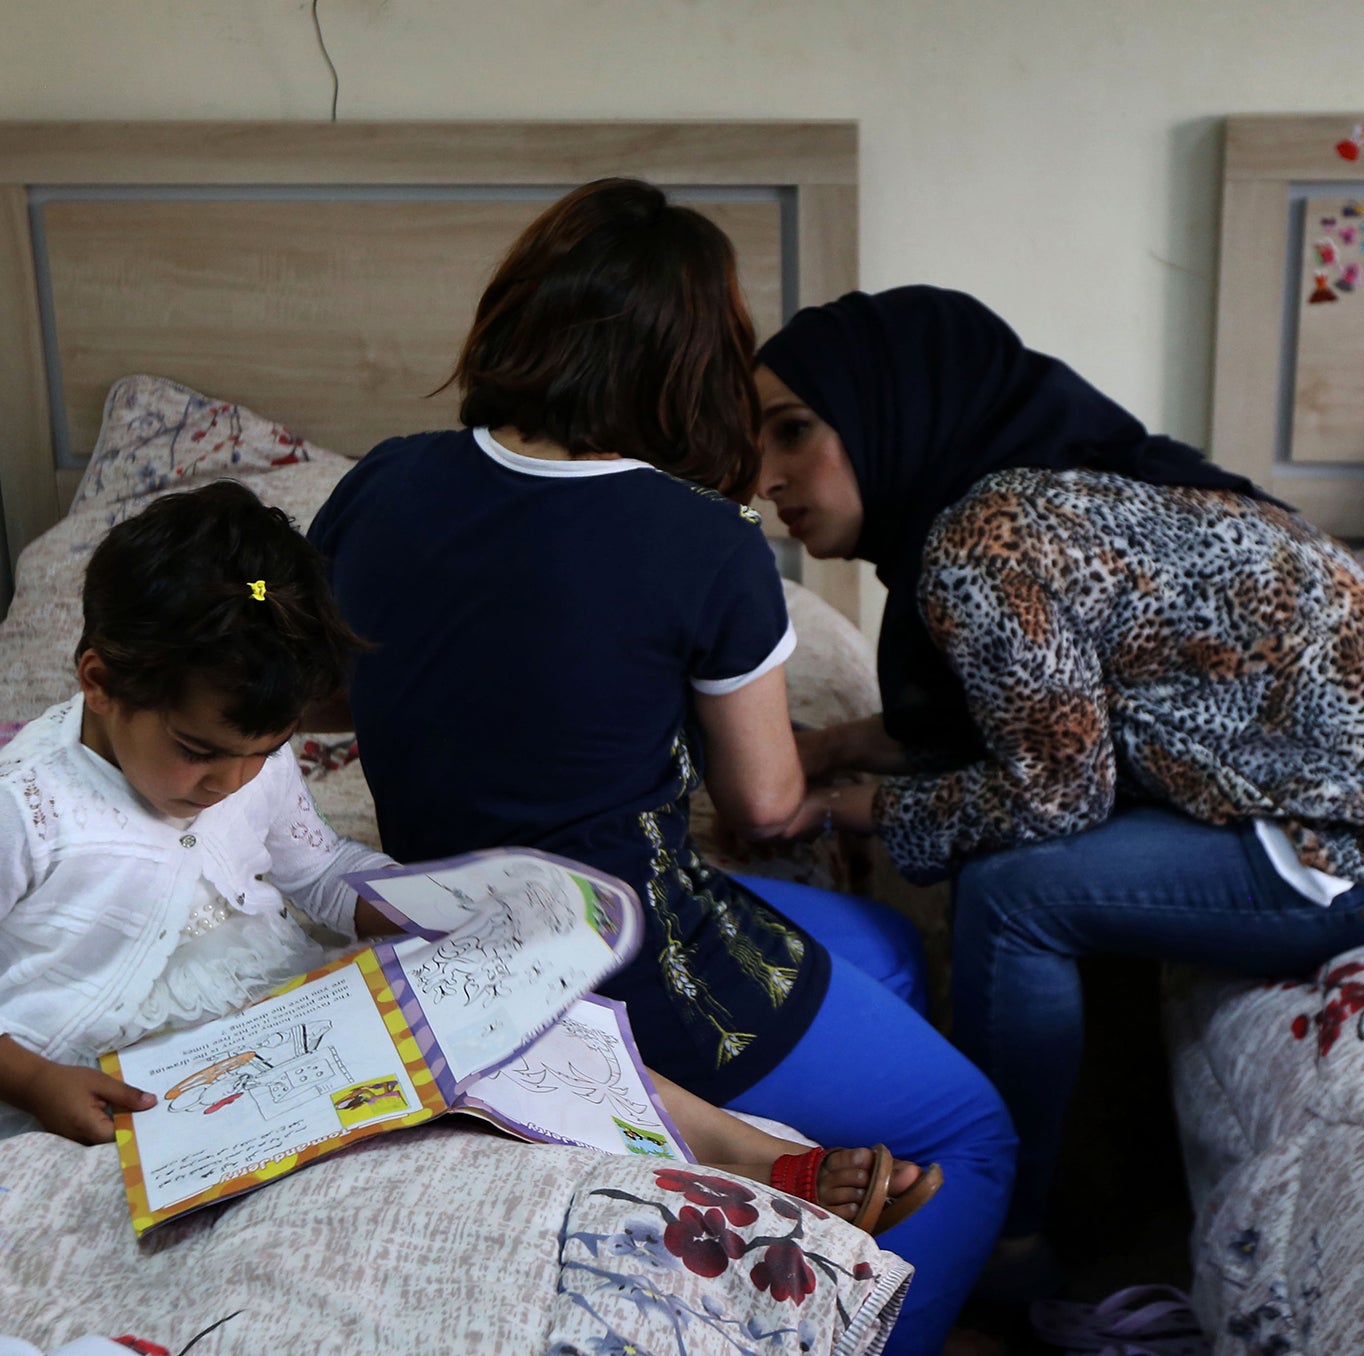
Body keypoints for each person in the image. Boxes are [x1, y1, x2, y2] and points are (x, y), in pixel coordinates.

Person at [307, 180, 1014, 1352]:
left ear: (517, 316)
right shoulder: (701, 543)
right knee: (971, 1131)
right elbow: (766, 799)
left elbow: (331, 687)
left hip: (442, 929)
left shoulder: (386, 479)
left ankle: (766, 1202)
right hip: (632, 968)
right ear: (699, 365)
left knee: (886, 948)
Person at [753, 285, 1364, 1288]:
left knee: (1012, 894)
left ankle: (1002, 1238)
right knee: (1019, 850)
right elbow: (1029, 716)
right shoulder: (1043, 485)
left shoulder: (979, 543)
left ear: (890, 410)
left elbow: (1052, 796)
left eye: (792, 433)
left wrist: (835, 805)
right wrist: (836, 748)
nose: (765, 478)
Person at [0, 481, 944, 1235]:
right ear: (100, 680)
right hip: (69, 1069)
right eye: (201, 754)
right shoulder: (18, 810)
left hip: (224, 1022)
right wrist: (34, 1083)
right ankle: (732, 1163)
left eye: (261, 757)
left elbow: (307, 872)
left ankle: (750, 1154)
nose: (229, 786)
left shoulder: (249, 762)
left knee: (508, 1015)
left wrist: (435, 915)